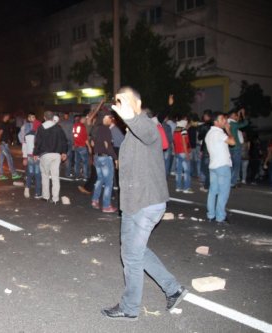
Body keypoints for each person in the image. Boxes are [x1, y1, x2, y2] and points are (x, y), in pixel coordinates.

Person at [102, 87, 186, 321]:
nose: (120, 106)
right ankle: (173, 289)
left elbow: (147, 133)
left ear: (137, 104)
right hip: (133, 203)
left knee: (131, 255)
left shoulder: (147, 125)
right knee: (134, 251)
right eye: (117, 102)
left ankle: (130, 307)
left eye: (125, 101)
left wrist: (130, 116)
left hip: (146, 203)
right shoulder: (130, 131)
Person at [205, 112, 236, 224]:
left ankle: (211, 215)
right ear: (216, 122)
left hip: (213, 166)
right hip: (222, 166)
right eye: (222, 119)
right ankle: (220, 217)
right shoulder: (219, 133)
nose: (225, 121)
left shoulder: (209, 133)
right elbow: (233, 142)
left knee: (213, 191)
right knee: (223, 192)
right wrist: (228, 130)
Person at [33, 110, 68, 204]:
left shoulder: (41, 127)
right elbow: (64, 140)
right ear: (53, 118)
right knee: (55, 177)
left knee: (45, 176)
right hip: (57, 155)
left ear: (44, 117)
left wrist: (35, 153)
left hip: (45, 155)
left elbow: (38, 142)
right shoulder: (58, 127)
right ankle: (55, 199)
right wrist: (64, 152)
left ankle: (46, 197)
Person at [91, 114, 117, 213]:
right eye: (110, 118)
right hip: (105, 158)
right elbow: (107, 145)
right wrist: (115, 158)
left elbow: (93, 143)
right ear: (104, 119)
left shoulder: (96, 129)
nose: (111, 120)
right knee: (108, 183)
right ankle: (106, 206)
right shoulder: (106, 129)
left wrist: (94, 156)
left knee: (100, 179)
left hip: (97, 156)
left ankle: (95, 200)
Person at [0, 113, 21, 181]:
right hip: (3, 144)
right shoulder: (2, 124)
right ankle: (14, 174)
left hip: (2, 144)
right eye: (8, 116)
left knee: (1, 160)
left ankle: (0, 175)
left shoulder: (2, 124)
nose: (9, 118)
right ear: (5, 116)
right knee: (9, 158)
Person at [228, 108, 249, 187]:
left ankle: (229, 181)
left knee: (230, 165)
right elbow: (245, 123)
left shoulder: (227, 123)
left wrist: (239, 114)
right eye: (235, 116)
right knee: (236, 165)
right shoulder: (233, 124)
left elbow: (237, 122)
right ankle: (232, 182)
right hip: (236, 147)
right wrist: (243, 114)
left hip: (229, 147)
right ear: (232, 116)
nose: (237, 117)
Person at [22, 121, 42, 199]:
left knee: (30, 173)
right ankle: (37, 193)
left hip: (29, 156)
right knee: (37, 174)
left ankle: (27, 188)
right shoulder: (39, 135)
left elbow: (24, 147)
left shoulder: (27, 135)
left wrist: (24, 158)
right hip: (37, 156)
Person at [173, 117, 193, 193]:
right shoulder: (183, 130)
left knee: (178, 171)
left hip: (177, 152)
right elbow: (184, 142)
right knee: (187, 171)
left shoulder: (176, 130)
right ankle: (186, 188)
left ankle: (178, 187)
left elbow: (174, 142)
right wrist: (187, 153)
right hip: (183, 152)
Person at [197, 110, 213, 192]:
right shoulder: (215, 125)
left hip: (207, 150)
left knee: (205, 169)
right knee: (210, 169)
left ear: (207, 116)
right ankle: (208, 184)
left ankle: (207, 186)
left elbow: (200, 138)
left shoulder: (205, 126)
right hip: (214, 150)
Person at [73, 115, 89, 180]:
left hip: (76, 146)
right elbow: (85, 138)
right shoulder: (83, 127)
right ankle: (85, 176)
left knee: (77, 162)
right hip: (82, 146)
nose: (85, 121)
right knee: (85, 162)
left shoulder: (74, 126)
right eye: (85, 120)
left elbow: (74, 136)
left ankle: (77, 176)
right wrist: (89, 147)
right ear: (82, 120)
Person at [60, 112, 74, 178]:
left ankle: (57, 172)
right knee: (68, 158)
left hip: (60, 142)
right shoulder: (71, 123)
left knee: (59, 158)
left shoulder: (60, 123)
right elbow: (71, 134)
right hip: (68, 142)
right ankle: (67, 173)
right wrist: (73, 142)